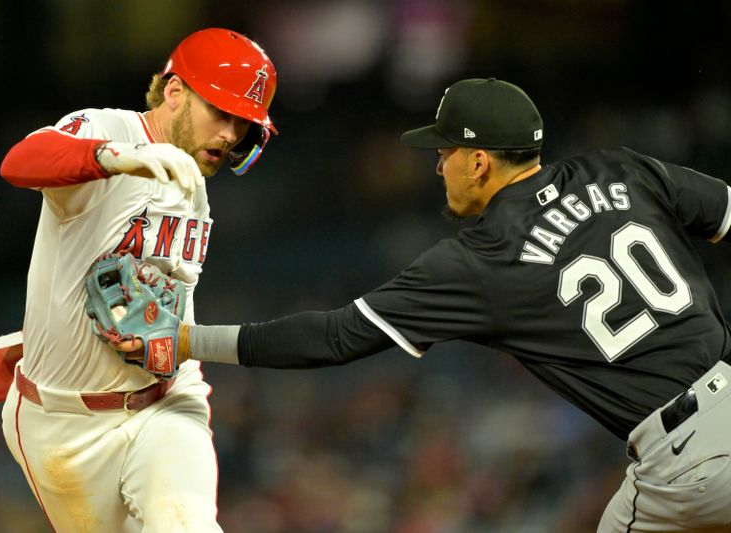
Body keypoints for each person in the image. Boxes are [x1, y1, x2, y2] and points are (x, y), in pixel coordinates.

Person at [169, 78, 731, 531]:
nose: (438, 167)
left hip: (685, 464)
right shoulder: (621, 169)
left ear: (481, 162)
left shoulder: (481, 259)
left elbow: (334, 337)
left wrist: (189, 340)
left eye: (446, 153)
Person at [0, 27, 277, 531]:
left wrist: (176, 341)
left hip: (165, 403)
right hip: (63, 424)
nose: (231, 134)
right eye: (220, 112)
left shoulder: (196, 185)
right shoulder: (109, 127)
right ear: (175, 92)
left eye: (243, 123)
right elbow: (19, 163)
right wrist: (113, 158)